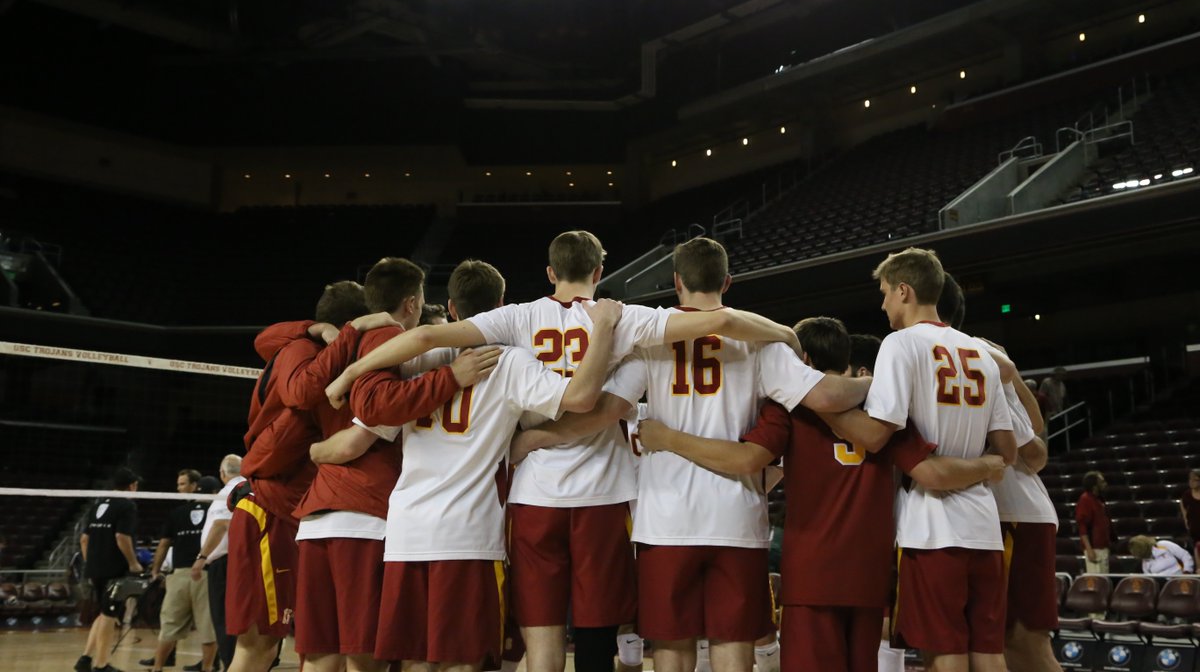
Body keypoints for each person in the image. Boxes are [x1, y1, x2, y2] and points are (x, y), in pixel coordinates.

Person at [324, 230, 807, 672]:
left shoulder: (517, 318)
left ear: (550, 273)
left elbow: (425, 336)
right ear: (599, 272)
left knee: (542, 646)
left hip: (534, 494)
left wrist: (348, 373)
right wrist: (784, 332)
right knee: (597, 638)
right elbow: (716, 321)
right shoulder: (625, 319)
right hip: (603, 492)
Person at [641, 315, 1006, 672]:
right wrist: (990, 464)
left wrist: (667, 438)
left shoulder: (788, 408)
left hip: (811, 573)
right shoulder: (885, 411)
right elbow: (928, 469)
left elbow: (751, 458)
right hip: (869, 574)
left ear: (802, 362)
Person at [322, 259, 625, 671]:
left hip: (407, 531)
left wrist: (317, 444)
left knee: (413, 661)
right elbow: (580, 398)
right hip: (468, 536)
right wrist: (604, 329)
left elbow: (364, 425)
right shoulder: (510, 361)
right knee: (465, 661)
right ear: (501, 305)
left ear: (450, 307)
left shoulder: (411, 358)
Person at [596, 241, 880, 672]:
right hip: (736, 518)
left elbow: (608, 408)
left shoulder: (650, 340)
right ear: (727, 281)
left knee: (672, 647)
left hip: (666, 520)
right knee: (734, 644)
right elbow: (825, 395)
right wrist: (872, 383)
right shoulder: (762, 343)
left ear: (676, 282)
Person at [292, 259, 499, 672]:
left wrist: (313, 452)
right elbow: (367, 423)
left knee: (321, 655)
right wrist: (450, 377)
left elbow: (271, 344)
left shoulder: (319, 349)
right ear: (412, 302)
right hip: (370, 516)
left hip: (322, 515)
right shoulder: (396, 345)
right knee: (377, 655)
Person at [857, 248, 1016, 672]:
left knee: (944, 652)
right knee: (988, 651)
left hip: (932, 528)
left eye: (886, 292)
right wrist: (981, 466)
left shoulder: (899, 343)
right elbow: (1008, 450)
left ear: (904, 291)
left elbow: (876, 435)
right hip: (984, 526)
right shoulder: (981, 352)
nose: (884, 302)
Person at [225, 278, 383, 672]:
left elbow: (264, 339)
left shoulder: (305, 345)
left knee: (303, 646)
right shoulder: (304, 354)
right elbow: (297, 394)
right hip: (269, 508)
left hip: (293, 511)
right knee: (259, 646)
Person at [937, 274, 1061, 672]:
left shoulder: (975, 355)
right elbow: (1035, 434)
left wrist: (1011, 375)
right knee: (992, 646)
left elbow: (1034, 451)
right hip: (989, 515)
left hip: (1015, 514)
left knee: (1021, 644)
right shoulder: (979, 353)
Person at [141, 470, 218, 672]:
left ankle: (157, 668)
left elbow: (163, 544)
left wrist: (155, 570)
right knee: (209, 627)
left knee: (169, 626)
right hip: (208, 573)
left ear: (196, 488)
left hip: (180, 575)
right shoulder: (218, 511)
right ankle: (207, 668)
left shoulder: (177, 513)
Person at [76, 467, 144, 672]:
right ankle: (101, 664)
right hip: (114, 568)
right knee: (109, 614)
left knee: (103, 612)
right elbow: (121, 537)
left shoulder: (97, 505)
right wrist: (133, 563)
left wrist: (91, 563)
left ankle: (85, 659)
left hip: (95, 568)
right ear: (132, 486)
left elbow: (84, 539)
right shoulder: (127, 506)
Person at [195, 457, 244, 671]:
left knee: (224, 621)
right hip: (234, 563)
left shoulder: (231, 492)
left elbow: (222, 525)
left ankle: (230, 666)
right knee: (230, 621)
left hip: (225, 564)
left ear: (222, 473)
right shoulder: (246, 488)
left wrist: (201, 557)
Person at [1075, 470, 1111, 574]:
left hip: (1103, 548)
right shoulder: (1085, 499)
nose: (1105, 484)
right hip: (1095, 549)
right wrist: (1089, 549)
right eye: (1102, 481)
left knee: (1104, 581)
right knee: (1097, 582)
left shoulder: (1099, 499)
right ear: (1094, 485)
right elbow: (1082, 526)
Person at [1127, 535, 1195, 575]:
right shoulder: (1145, 564)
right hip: (1164, 586)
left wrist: (1187, 572)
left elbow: (1185, 555)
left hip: (1182, 577)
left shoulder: (1163, 545)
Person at [1180, 469, 1200, 571]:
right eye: (1190, 479)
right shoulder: (1187, 495)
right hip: (1195, 529)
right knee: (1197, 546)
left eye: (1195, 480)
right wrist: (1186, 522)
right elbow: (1183, 508)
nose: (1191, 482)